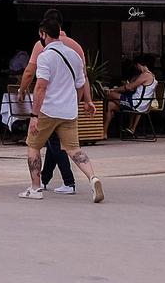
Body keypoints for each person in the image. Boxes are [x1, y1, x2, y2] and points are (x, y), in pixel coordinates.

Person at [18, 12, 104, 202]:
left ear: (43, 34)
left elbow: (40, 87)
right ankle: (93, 177)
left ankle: (35, 188)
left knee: (33, 146)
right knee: (74, 149)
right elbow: (82, 81)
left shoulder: (45, 56)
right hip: (69, 110)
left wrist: (34, 115)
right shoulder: (74, 54)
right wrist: (88, 101)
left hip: (48, 109)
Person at [107, 56, 159, 138]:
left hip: (136, 104)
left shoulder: (145, 75)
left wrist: (114, 90)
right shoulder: (151, 75)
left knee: (110, 94)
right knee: (110, 105)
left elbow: (129, 87)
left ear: (138, 65)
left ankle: (113, 123)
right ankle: (104, 133)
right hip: (141, 104)